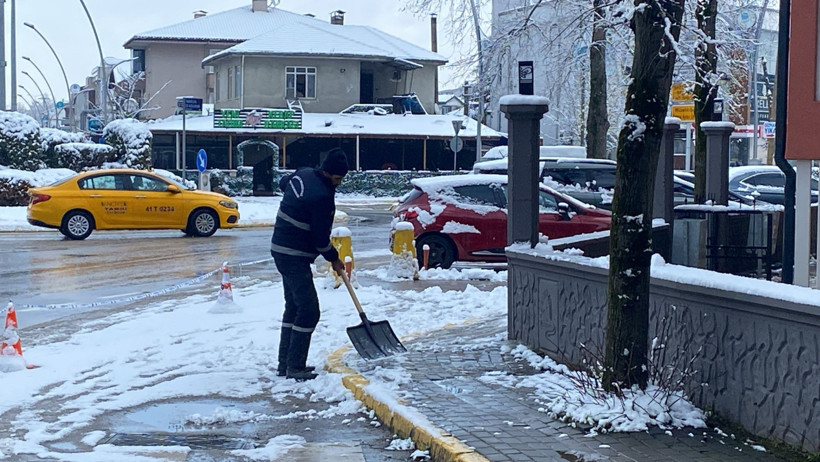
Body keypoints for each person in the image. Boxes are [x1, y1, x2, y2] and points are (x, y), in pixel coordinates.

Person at [271, 148, 349, 381]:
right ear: (326, 172)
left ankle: (285, 364)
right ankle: (295, 366)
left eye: (342, 178)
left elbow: (284, 182)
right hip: (293, 254)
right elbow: (320, 239)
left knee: (294, 307)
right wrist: (334, 258)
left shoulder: (303, 174)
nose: (339, 183)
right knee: (309, 310)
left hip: (280, 248)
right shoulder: (322, 197)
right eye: (336, 178)